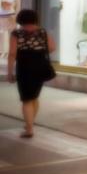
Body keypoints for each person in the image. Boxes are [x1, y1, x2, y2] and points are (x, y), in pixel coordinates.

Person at [5, 9, 55, 138]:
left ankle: (29, 129)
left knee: (26, 99)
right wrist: (38, 48)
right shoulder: (42, 32)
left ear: (20, 19)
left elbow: (12, 54)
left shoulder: (17, 33)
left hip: (25, 67)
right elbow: (52, 48)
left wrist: (9, 72)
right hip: (40, 66)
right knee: (34, 97)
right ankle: (30, 123)